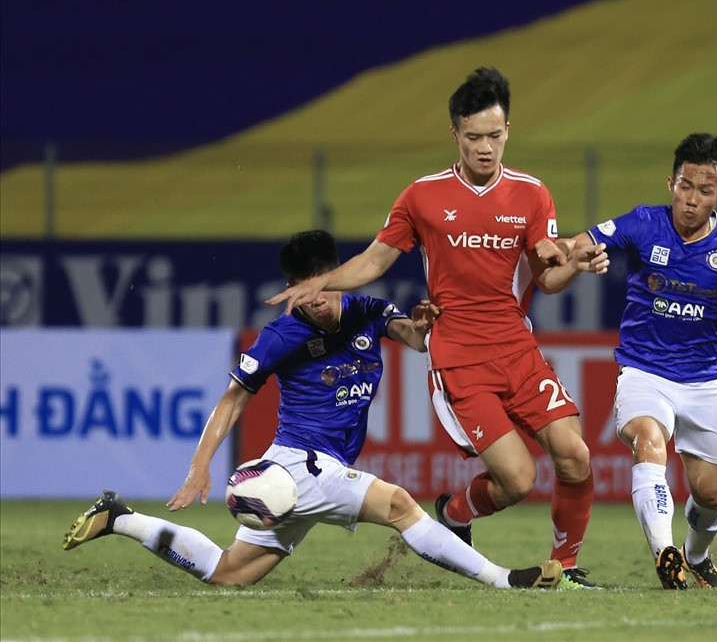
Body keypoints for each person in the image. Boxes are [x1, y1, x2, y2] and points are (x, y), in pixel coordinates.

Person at [63, 230, 562, 591]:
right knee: (400, 506)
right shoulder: (283, 334)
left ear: (338, 276)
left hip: (313, 470)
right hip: (301, 462)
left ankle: (118, 518)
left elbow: (410, 338)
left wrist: (422, 324)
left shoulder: (366, 310)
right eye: (303, 290)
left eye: (323, 285)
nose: (316, 300)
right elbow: (233, 397)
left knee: (230, 573)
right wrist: (199, 467)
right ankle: (505, 580)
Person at [266, 68, 608, 589]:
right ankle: (455, 512)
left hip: (518, 347)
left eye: (495, 136)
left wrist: (573, 264)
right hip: (460, 357)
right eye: (474, 137)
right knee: (517, 481)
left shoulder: (532, 195)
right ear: (455, 135)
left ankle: (567, 565)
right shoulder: (423, 196)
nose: (485, 148)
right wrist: (320, 284)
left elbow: (548, 274)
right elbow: (375, 260)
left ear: (508, 130)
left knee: (575, 455)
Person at [537, 133, 717, 589]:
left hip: (703, 382)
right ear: (670, 183)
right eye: (684, 186)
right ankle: (666, 554)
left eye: (704, 191)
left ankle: (697, 557)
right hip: (643, 372)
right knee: (648, 441)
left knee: (711, 492)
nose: (691, 199)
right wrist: (566, 248)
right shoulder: (643, 223)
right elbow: (584, 240)